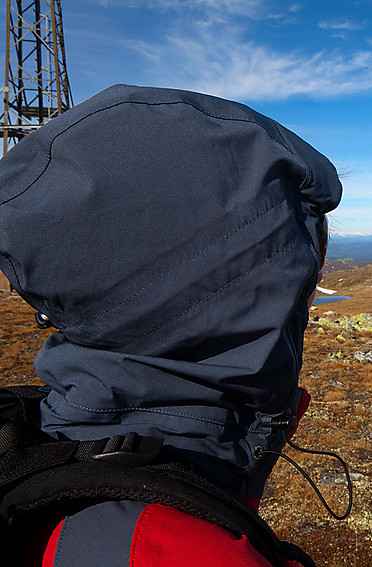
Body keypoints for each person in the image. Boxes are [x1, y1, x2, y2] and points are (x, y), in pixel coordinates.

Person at [0, 84, 342, 566]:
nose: (310, 292)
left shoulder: (43, 442)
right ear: (237, 300)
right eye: (298, 272)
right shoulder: (179, 551)